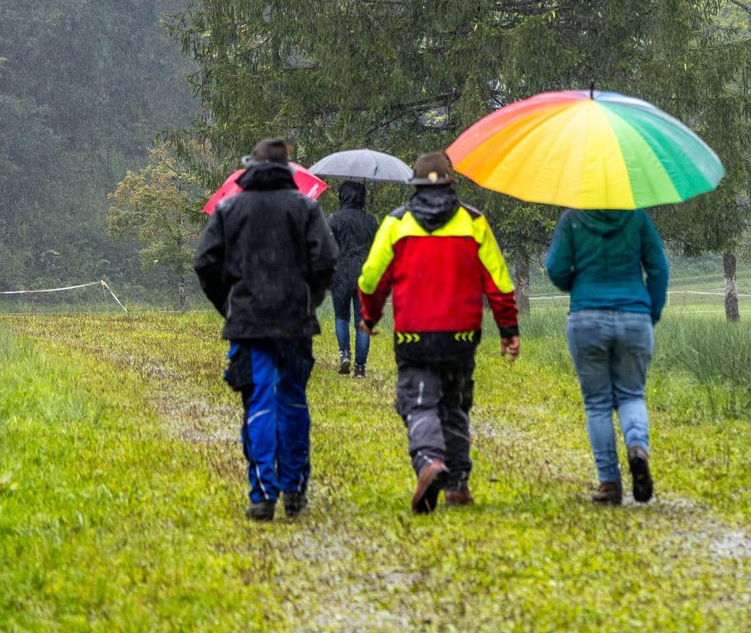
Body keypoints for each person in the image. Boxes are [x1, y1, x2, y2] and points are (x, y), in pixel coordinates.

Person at [358, 152, 520, 513]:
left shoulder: (397, 223)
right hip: (461, 335)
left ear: (413, 186)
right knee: (455, 404)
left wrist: (369, 317)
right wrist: (507, 327)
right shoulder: (474, 222)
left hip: (415, 334)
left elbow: (371, 279)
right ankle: (458, 484)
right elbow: (498, 281)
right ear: (451, 184)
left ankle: (430, 461)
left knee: (418, 404)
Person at [193, 137, 336, 521]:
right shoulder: (305, 208)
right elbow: (326, 260)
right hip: (295, 324)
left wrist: (229, 305)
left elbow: (206, 263)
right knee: (291, 401)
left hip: (249, 325)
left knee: (258, 404)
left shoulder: (229, 209)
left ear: (250, 169)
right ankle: (293, 490)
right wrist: (311, 299)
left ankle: (262, 495)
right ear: (288, 170)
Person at [545, 206, 669, 505]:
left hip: (586, 317)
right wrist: (649, 312)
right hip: (634, 316)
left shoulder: (573, 219)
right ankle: (637, 447)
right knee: (632, 395)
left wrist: (577, 281)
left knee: (597, 403)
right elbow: (659, 268)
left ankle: (610, 483)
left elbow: (556, 269)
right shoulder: (637, 217)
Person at [325, 181, 378, 377]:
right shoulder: (370, 221)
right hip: (364, 275)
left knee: (341, 317)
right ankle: (361, 368)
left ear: (342, 196)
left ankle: (344, 354)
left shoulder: (334, 219)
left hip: (339, 274)